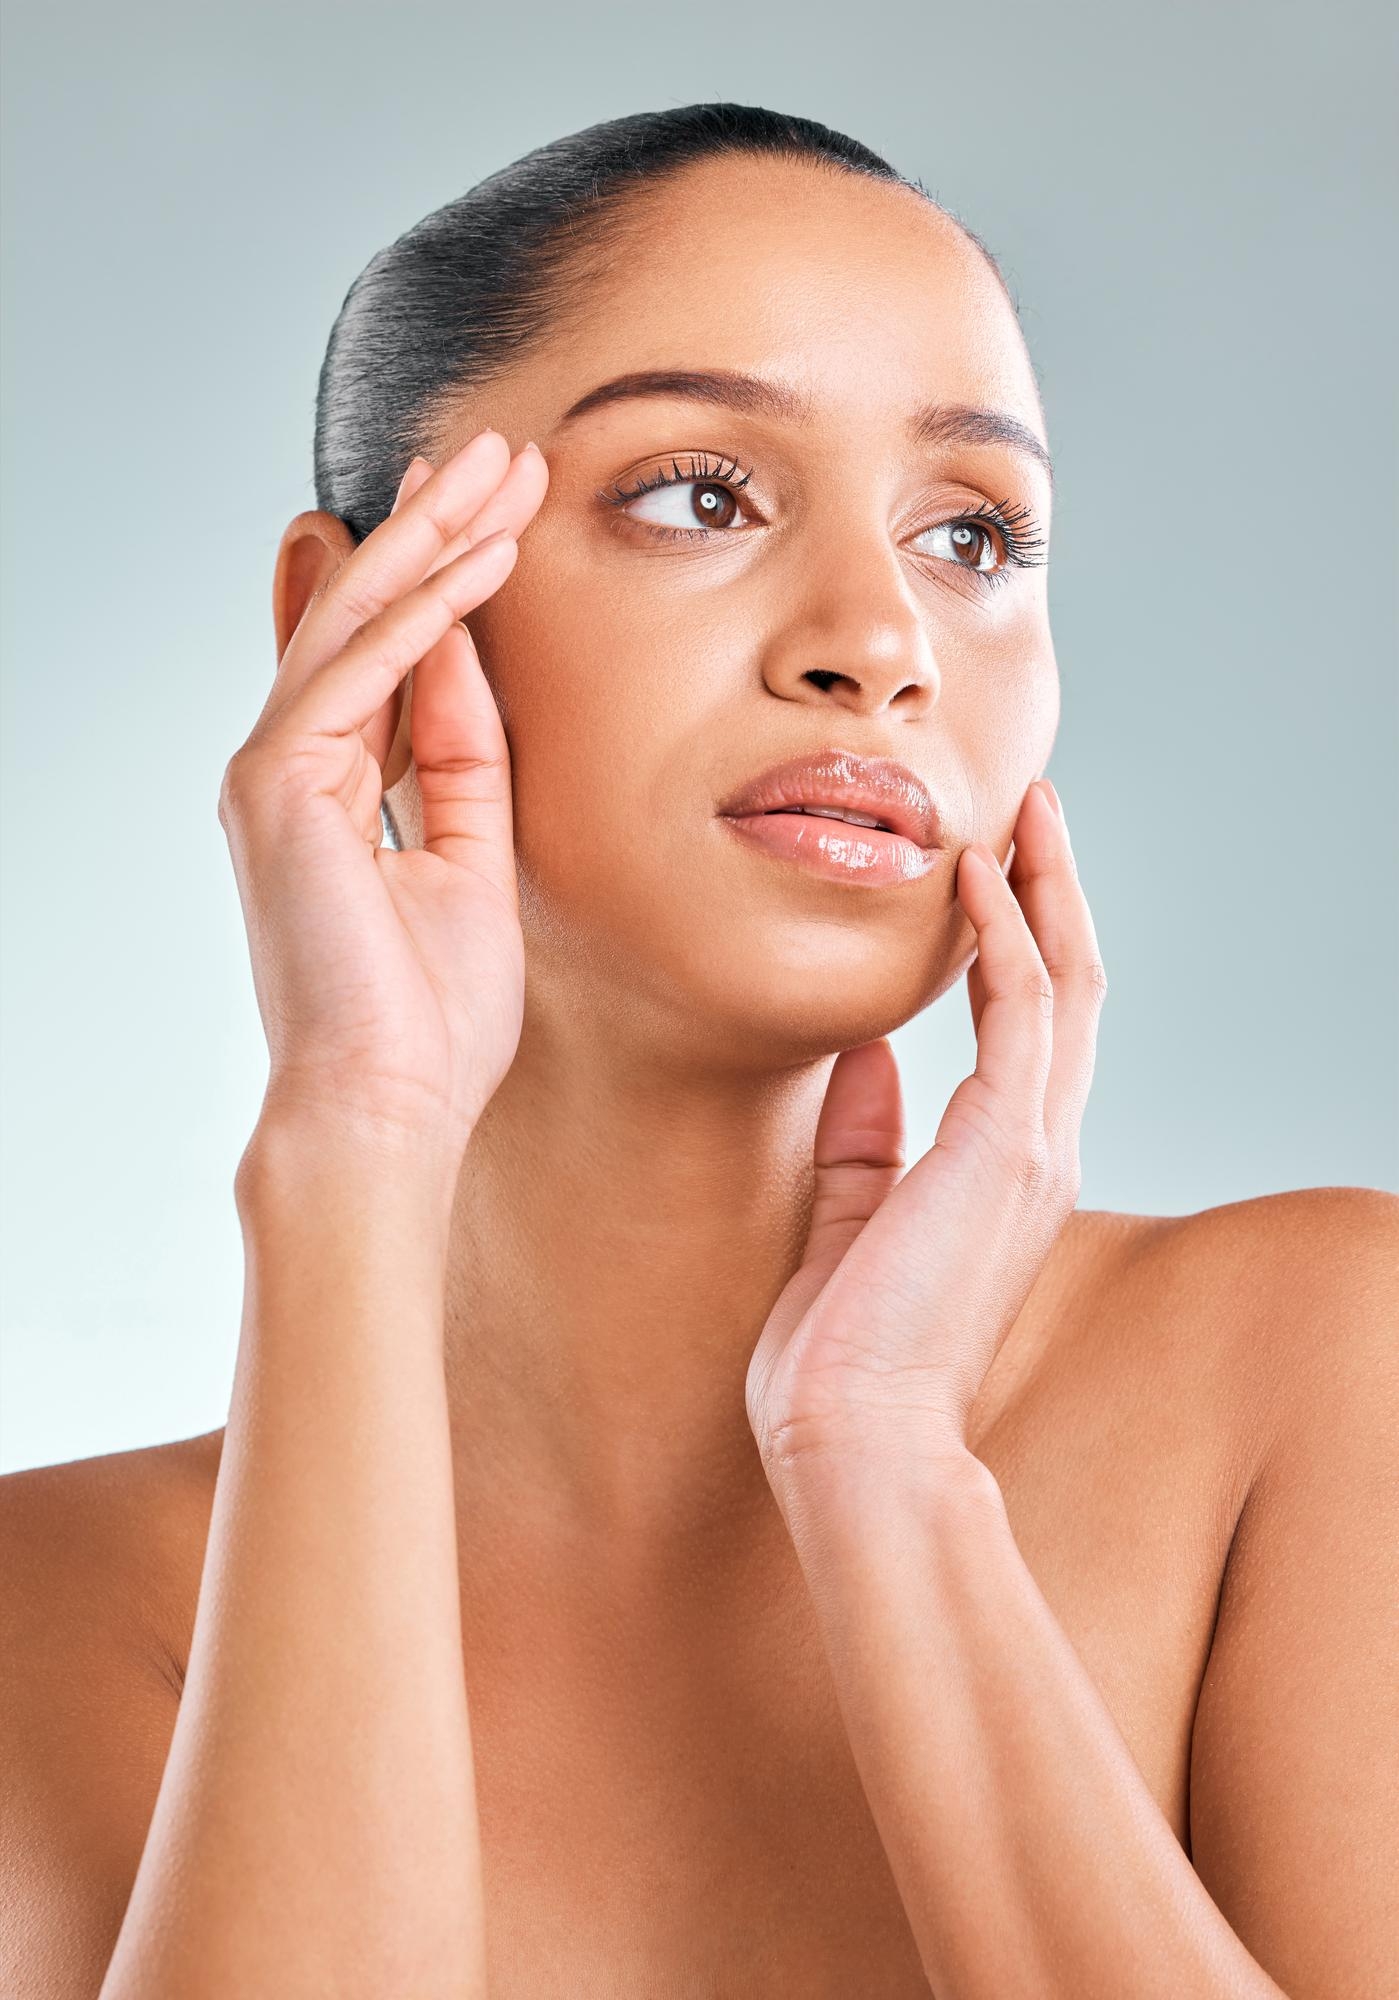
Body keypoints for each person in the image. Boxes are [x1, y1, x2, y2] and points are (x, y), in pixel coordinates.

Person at [2, 101, 1394, 2000]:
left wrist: (884, 1460)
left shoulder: (1320, 1362)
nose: (879, 640)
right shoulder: (40, 1614)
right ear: (358, 619)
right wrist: (350, 1151)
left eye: (972, 532)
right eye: (699, 494)